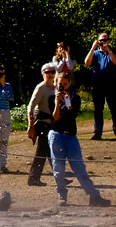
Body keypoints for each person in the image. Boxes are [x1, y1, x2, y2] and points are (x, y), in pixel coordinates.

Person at [46, 71, 110, 208]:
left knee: (79, 167)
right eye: (60, 84)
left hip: (70, 135)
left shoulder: (76, 98)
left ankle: (93, 195)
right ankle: (62, 196)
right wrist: (58, 102)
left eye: (65, 84)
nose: (63, 86)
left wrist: (67, 100)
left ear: (69, 83)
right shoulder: (51, 97)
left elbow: (71, 114)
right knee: (58, 168)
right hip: (56, 134)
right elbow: (55, 117)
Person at [83, 32, 116, 141]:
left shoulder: (114, 52)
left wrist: (108, 50)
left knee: (114, 109)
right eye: (100, 40)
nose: (102, 42)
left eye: (104, 40)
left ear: (108, 41)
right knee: (98, 110)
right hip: (98, 85)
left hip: (111, 84)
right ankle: (98, 132)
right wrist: (92, 48)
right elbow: (87, 63)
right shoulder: (95, 53)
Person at [25, 63, 58, 187]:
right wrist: (30, 125)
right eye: (47, 72)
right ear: (42, 74)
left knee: (47, 152)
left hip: (52, 124)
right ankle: (34, 178)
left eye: (52, 72)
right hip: (42, 124)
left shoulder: (55, 88)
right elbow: (31, 107)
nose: (50, 74)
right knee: (45, 152)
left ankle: (36, 178)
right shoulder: (41, 88)